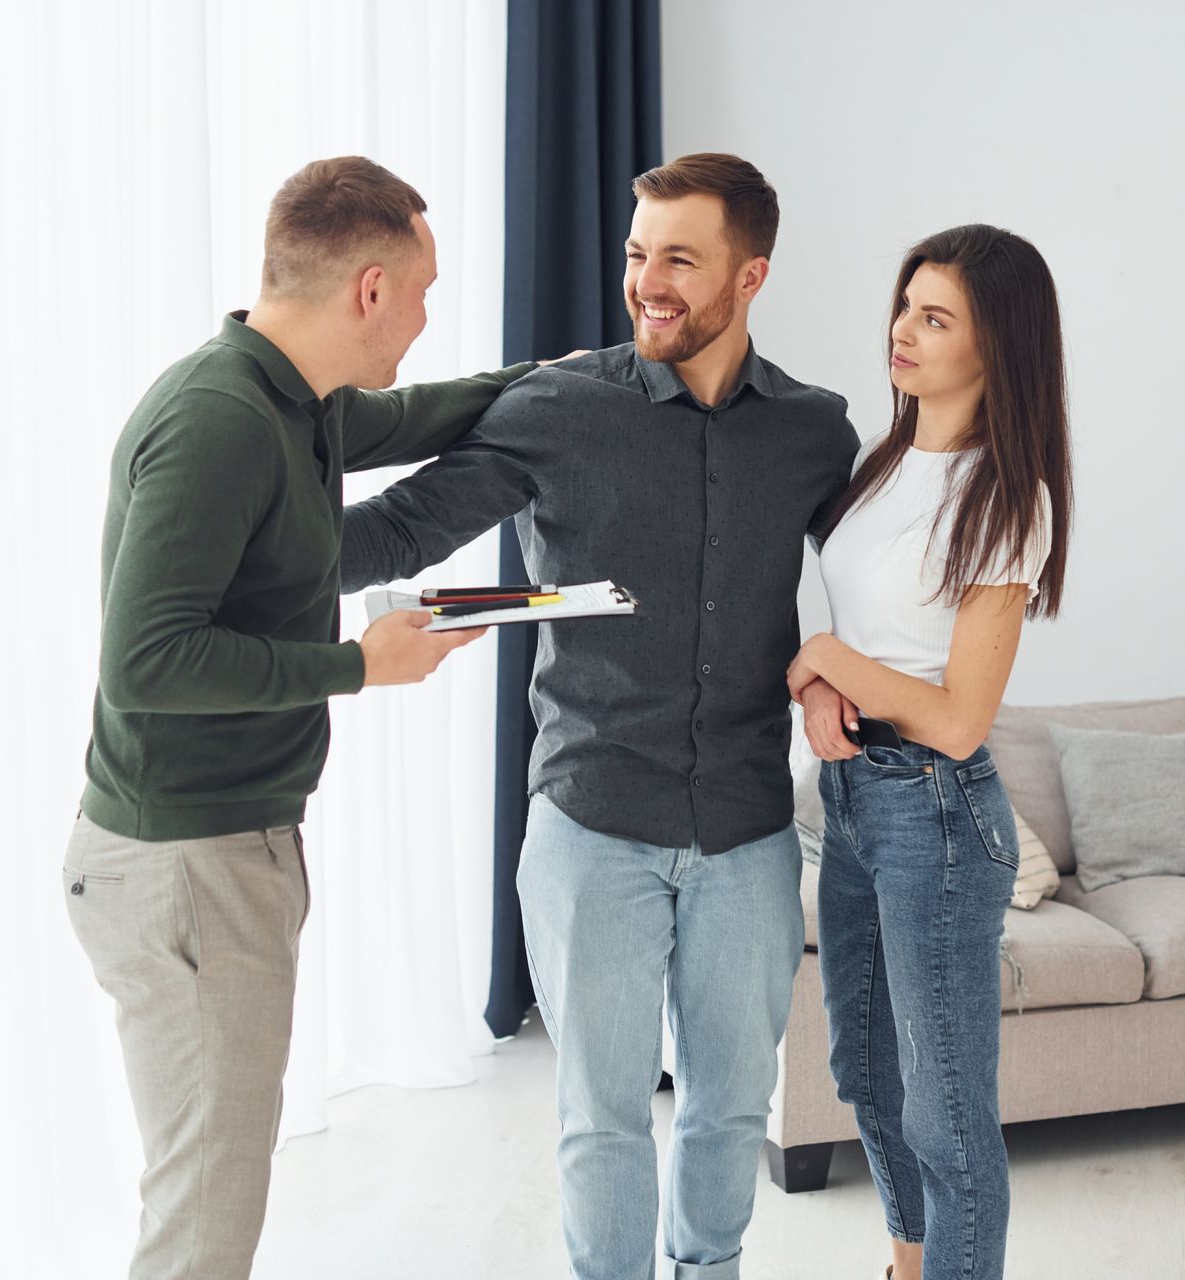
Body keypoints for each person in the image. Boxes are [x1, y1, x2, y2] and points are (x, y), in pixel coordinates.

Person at [339, 153, 858, 1280]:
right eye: (636, 254)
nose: (648, 282)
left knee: (730, 1107)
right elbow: (394, 533)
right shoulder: (561, 406)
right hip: (591, 825)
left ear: (751, 273)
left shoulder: (816, 432)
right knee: (603, 1116)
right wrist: (230, 525)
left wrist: (829, 669)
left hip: (749, 829)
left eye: (680, 257)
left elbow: (878, 583)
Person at [64, 155, 564, 1280]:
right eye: (425, 294)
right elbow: (143, 659)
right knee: (205, 1207)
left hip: (220, 844)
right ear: (371, 289)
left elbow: (412, 415)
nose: (427, 320)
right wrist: (357, 663)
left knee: (210, 1183)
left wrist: (566, 379)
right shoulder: (219, 420)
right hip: (185, 855)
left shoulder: (295, 400)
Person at [784, 225, 1072, 1280]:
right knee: (863, 1068)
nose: (902, 330)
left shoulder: (1009, 497)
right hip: (853, 797)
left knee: (948, 1116)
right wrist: (823, 676)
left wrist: (825, 657)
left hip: (936, 813)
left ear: (998, 346)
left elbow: (958, 716)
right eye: (905, 304)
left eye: (935, 316)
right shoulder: (888, 460)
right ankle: (910, 1263)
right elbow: (863, 633)